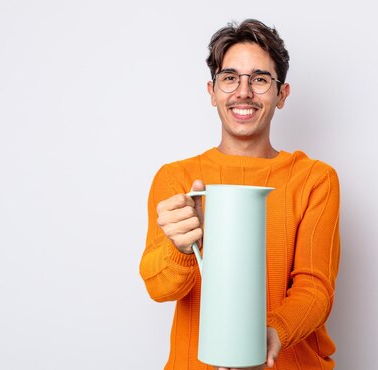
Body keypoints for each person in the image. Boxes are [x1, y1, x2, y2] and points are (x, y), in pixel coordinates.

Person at [139, 19, 341, 370]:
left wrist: (271, 334)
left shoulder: (315, 179)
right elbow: (159, 290)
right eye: (230, 78)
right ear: (212, 91)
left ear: (281, 95)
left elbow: (315, 288)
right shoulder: (177, 179)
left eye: (260, 79)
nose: (243, 92)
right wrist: (182, 248)